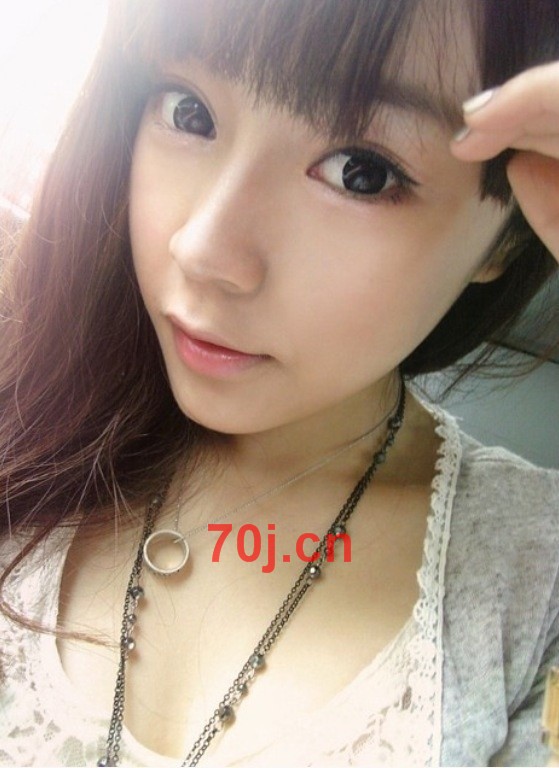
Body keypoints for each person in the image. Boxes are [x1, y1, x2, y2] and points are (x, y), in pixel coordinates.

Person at [0, 0, 558, 765]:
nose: (204, 250)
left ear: (509, 232)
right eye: (189, 112)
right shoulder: (28, 385)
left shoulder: (535, 577)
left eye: (360, 172)